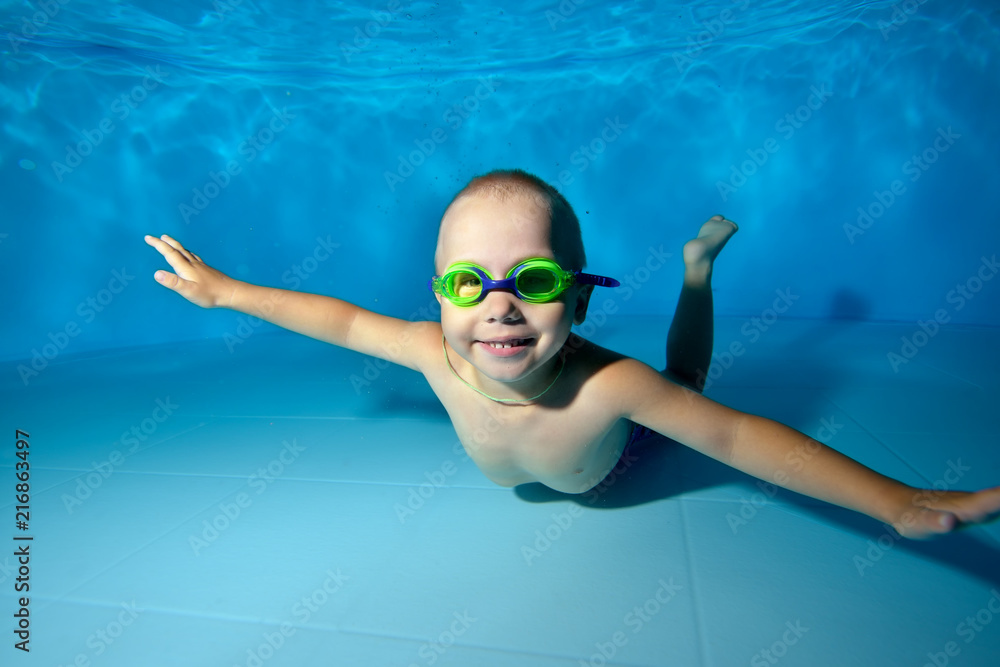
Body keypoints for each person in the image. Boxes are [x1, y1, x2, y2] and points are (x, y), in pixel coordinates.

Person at [144, 168, 1000, 539]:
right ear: (438, 295)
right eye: (469, 283)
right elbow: (336, 318)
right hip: (541, 467)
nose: (501, 305)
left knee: (688, 386)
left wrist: (895, 501)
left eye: (536, 277)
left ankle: (696, 275)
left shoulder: (609, 387)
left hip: (614, 471)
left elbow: (741, 441)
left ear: (582, 296)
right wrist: (227, 292)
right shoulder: (431, 354)